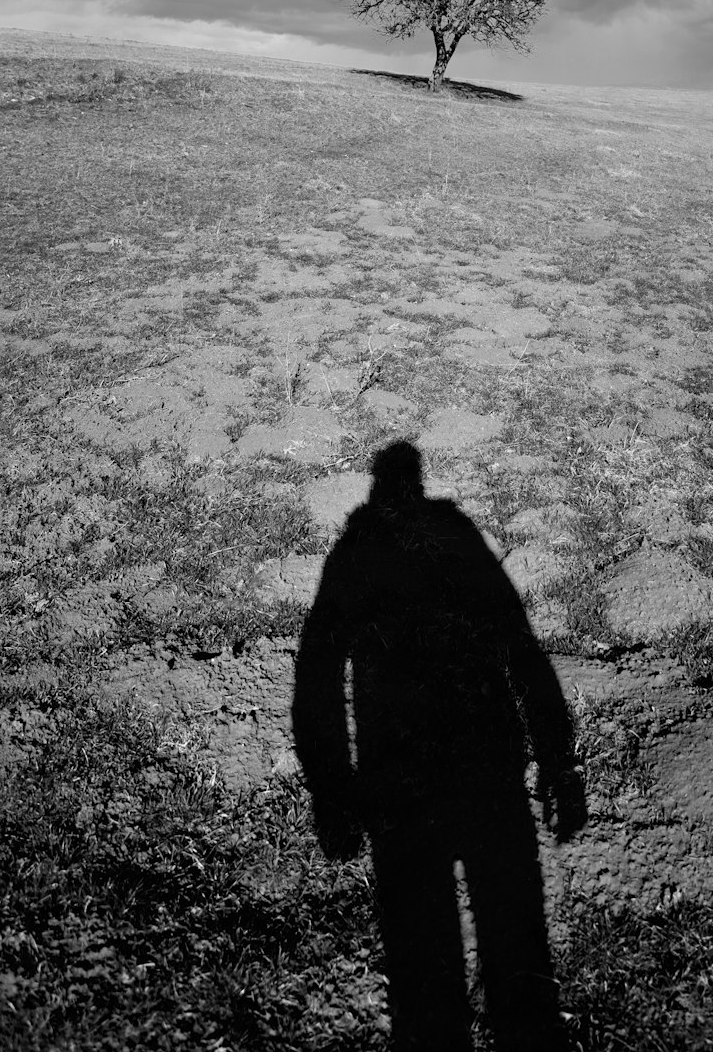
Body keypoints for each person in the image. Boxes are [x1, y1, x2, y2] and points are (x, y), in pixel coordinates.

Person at [292, 439, 587, 1051]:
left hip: (430, 769)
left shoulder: (367, 541)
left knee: (445, 953)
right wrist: (556, 760)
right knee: (501, 949)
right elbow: (517, 635)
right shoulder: (446, 530)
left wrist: (332, 787)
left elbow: (320, 664)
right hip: (470, 768)